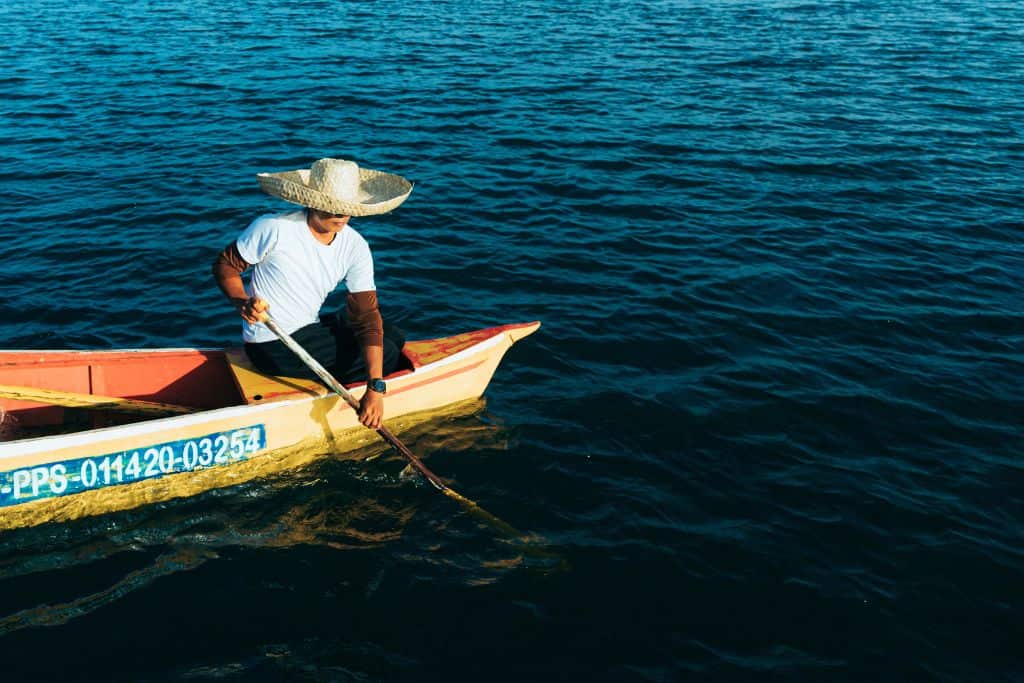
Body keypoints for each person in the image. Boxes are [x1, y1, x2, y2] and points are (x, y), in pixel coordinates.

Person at [212, 158, 412, 430]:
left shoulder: (356, 247)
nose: (340, 214)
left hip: (308, 328)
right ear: (311, 202)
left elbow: (366, 315)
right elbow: (225, 265)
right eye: (331, 207)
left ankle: (344, 377)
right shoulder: (274, 228)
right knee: (388, 351)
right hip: (271, 343)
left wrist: (375, 389)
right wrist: (241, 303)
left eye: (345, 208)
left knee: (392, 333)